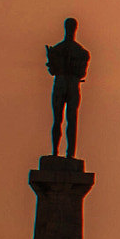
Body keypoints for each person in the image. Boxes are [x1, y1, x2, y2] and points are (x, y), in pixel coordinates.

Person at [44, 17, 91, 158]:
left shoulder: (62, 50)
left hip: (64, 83)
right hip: (68, 84)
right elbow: (81, 72)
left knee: (64, 119)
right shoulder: (80, 52)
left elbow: (53, 70)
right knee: (66, 119)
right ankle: (63, 153)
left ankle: (61, 153)